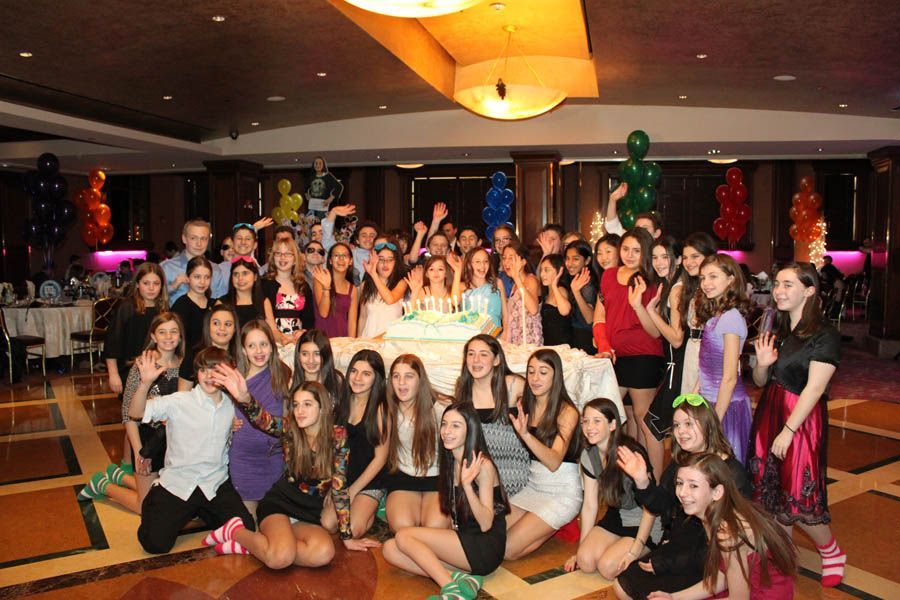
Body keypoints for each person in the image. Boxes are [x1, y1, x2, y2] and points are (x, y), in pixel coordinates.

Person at [207, 378, 380, 562]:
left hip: (310, 511)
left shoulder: (338, 436)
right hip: (281, 503)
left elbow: (339, 486)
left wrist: (347, 537)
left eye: (307, 404)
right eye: (296, 405)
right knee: (279, 559)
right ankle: (235, 532)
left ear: (322, 408)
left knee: (323, 554)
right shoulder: (291, 429)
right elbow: (264, 420)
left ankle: (260, 546)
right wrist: (245, 398)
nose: (299, 411)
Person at [749, 262, 845, 587]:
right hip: (771, 410)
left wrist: (789, 430)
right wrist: (761, 366)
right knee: (773, 493)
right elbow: (762, 380)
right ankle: (785, 553)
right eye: (777, 284)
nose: (779, 291)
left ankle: (830, 550)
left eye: (788, 284)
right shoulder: (779, 328)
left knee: (799, 495)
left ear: (810, 290)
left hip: (801, 420)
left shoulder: (825, 334)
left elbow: (815, 388)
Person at [614, 395, 752, 599]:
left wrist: (668, 561)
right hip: (681, 545)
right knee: (622, 585)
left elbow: (725, 545)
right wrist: (642, 481)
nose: (681, 431)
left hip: (710, 558)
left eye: (689, 423)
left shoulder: (732, 474)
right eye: (677, 425)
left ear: (708, 424)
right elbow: (661, 504)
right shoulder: (683, 462)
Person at [127, 346, 256, 554]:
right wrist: (145, 383)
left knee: (248, 530)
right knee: (154, 544)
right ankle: (158, 499)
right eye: (204, 370)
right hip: (179, 482)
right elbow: (136, 412)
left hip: (214, 483)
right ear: (196, 373)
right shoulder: (180, 401)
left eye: (216, 370)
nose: (209, 376)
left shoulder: (231, 406)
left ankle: (204, 513)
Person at [382, 402, 509, 599]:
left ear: (470, 430)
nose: (447, 431)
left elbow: (485, 524)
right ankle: (461, 578)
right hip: (465, 541)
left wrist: (467, 486)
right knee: (390, 549)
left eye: (456, 426)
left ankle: (451, 590)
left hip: (485, 546)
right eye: (444, 424)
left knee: (404, 536)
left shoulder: (482, 466)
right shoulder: (450, 460)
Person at [640, 454, 796, 600]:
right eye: (680, 483)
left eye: (693, 486)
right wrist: (674, 597)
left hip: (766, 593)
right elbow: (723, 576)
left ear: (717, 492)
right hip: (748, 585)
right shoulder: (712, 515)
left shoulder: (726, 531)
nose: (682, 492)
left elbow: (739, 598)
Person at [80, 313, 184, 515]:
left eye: (174, 331)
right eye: (162, 332)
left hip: (175, 442)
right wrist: (138, 453)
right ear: (153, 336)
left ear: (180, 336)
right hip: (148, 441)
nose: (168, 336)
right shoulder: (142, 365)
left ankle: (121, 477)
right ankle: (104, 485)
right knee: (146, 508)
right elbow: (128, 415)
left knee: (166, 498)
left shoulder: (185, 365)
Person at [564, 399, 661, 579]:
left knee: (607, 568)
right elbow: (590, 505)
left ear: (613, 425)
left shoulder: (631, 454)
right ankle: (618, 545)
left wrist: (635, 550)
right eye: (585, 421)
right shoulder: (589, 454)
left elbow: (651, 507)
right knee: (585, 561)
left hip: (645, 521)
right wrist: (580, 548)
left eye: (597, 421)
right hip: (617, 516)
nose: (589, 427)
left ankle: (655, 551)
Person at [596, 228, 664, 475]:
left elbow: (654, 331)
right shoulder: (609, 275)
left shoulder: (649, 280)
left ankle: (654, 480)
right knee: (613, 416)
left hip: (644, 354)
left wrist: (637, 306)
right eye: (626, 249)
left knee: (643, 419)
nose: (630, 255)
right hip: (616, 356)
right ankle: (625, 478)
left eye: (637, 250)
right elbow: (602, 315)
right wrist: (603, 345)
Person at [505, 349, 582, 560]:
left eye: (543, 372)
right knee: (492, 536)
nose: (535, 378)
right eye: (531, 372)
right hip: (533, 487)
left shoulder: (567, 412)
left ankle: (553, 525)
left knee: (508, 551)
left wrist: (526, 435)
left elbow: (554, 461)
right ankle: (544, 524)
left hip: (562, 492)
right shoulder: (525, 405)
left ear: (555, 376)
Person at [104, 262, 169, 474]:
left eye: (156, 283)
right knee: (131, 418)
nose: (151, 288)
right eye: (146, 283)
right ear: (137, 285)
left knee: (145, 417)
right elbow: (112, 342)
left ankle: (131, 461)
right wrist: (113, 373)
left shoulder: (163, 310)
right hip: (129, 369)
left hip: (155, 370)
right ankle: (126, 463)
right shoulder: (127, 307)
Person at [323, 350, 390, 538]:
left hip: (370, 481)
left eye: (366, 374)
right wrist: (334, 485)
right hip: (344, 478)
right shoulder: (342, 403)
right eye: (354, 371)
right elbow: (333, 450)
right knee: (328, 524)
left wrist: (352, 491)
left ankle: (373, 513)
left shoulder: (380, 409)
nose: (358, 378)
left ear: (376, 379)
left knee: (352, 530)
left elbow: (380, 459)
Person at [455, 335, 529, 495]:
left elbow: (543, 406)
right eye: (471, 354)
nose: (476, 360)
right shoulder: (463, 389)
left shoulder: (512, 385)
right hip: (479, 472)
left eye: (483, 354)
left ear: (496, 360)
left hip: (514, 469)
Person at [384, 354, 451, 531]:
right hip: (403, 476)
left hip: (436, 477)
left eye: (409, 376)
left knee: (435, 527)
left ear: (420, 380)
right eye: (396, 376)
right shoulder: (387, 409)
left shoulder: (440, 409)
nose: (401, 383)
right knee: (402, 527)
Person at [230, 320, 289, 517]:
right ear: (244, 350)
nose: (258, 351)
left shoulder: (283, 375)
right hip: (243, 460)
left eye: (263, 344)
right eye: (251, 345)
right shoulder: (235, 378)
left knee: (270, 522)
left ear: (272, 347)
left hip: (272, 459)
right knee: (249, 522)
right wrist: (226, 423)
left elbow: (288, 420)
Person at [696, 254, 752, 462]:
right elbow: (706, 367)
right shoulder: (716, 314)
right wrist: (694, 398)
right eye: (702, 278)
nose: (706, 283)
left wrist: (716, 421)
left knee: (722, 473)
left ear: (730, 280)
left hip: (726, 406)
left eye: (713, 277)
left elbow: (729, 376)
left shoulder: (731, 318)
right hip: (709, 401)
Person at [643, 237, 685, 441]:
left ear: (678, 259)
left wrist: (651, 311)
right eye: (655, 257)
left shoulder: (677, 289)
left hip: (679, 366)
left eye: (665, 257)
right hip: (673, 365)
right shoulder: (668, 286)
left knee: (659, 425)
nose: (658, 262)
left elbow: (677, 339)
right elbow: (656, 332)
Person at [677, 233, 718, 395]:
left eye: (695, 256)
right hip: (691, 349)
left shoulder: (715, 288)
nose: (689, 262)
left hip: (710, 351)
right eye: (685, 257)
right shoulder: (689, 287)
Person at [262, 239, 314, 346]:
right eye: (278, 253)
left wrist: (303, 332)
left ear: (295, 259)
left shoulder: (303, 286)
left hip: (298, 342)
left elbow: (309, 319)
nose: (282, 257)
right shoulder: (264, 284)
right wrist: (281, 337)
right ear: (273, 258)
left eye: (288, 254)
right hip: (272, 341)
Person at [161, 220, 228, 303]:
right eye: (193, 238)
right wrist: (172, 287)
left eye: (203, 239)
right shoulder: (167, 268)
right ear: (184, 239)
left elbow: (221, 302)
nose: (199, 244)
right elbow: (155, 299)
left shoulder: (215, 269)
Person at [177, 304, 240, 391]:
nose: (222, 328)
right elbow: (182, 396)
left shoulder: (241, 357)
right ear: (208, 326)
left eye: (228, 324)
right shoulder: (194, 355)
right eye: (216, 323)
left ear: (234, 329)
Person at [450, 248, 507, 333]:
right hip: (470, 335)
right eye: (477, 262)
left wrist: (505, 333)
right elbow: (454, 302)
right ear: (469, 265)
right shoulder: (462, 286)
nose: (482, 266)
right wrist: (458, 271)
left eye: (485, 261)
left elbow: (505, 314)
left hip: (495, 336)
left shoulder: (497, 283)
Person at [358, 241, 408, 338]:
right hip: (369, 340)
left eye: (390, 260)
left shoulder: (401, 283)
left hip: (391, 341)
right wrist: (358, 341)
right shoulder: (365, 285)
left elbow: (389, 299)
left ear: (396, 262)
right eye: (381, 260)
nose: (385, 264)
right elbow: (363, 317)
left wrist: (373, 274)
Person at [311, 242, 358, 337]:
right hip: (322, 339)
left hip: (343, 340)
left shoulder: (353, 289)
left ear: (350, 261)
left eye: (344, 255)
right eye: (336, 255)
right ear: (330, 261)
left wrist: (351, 343)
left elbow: (352, 322)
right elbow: (323, 313)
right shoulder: (320, 279)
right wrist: (326, 288)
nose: (341, 259)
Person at [322, 204, 375, 285]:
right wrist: (333, 212)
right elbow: (327, 243)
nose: (368, 239)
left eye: (372, 235)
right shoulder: (350, 253)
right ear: (357, 240)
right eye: (364, 236)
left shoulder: (382, 257)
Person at [170, 256, 213, 354]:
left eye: (207, 277)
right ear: (188, 277)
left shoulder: (214, 304)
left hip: (210, 359)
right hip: (187, 360)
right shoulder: (180, 305)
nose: (202, 282)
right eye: (197, 277)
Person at [502, 242, 542, 345]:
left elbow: (533, 309)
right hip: (516, 340)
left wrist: (516, 277)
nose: (506, 262)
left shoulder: (531, 279)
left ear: (523, 261)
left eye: (511, 258)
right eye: (504, 258)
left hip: (530, 341)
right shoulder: (514, 285)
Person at [566, 240, 599, 354]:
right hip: (577, 336)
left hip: (586, 338)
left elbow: (589, 318)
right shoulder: (577, 279)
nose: (570, 263)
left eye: (575, 259)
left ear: (587, 260)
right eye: (567, 258)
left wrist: (576, 292)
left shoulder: (587, 284)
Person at [217, 257, 265, 329]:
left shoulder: (263, 302)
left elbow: (273, 330)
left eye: (245, 273)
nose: (240, 278)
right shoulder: (222, 303)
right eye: (236, 274)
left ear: (255, 277)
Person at [291, 329, 345, 393]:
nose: (311, 360)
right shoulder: (291, 383)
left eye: (317, 354)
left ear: (325, 354)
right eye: (305, 354)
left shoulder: (337, 380)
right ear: (298, 355)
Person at [537, 254, 572, 346]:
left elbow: (565, 311)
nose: (542, 274)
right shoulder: (546, 292)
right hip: (549, 344)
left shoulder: (560, 289)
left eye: (547, 270)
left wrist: (554, 286)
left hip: (561, 345)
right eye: (541, 270)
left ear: (559, 270)